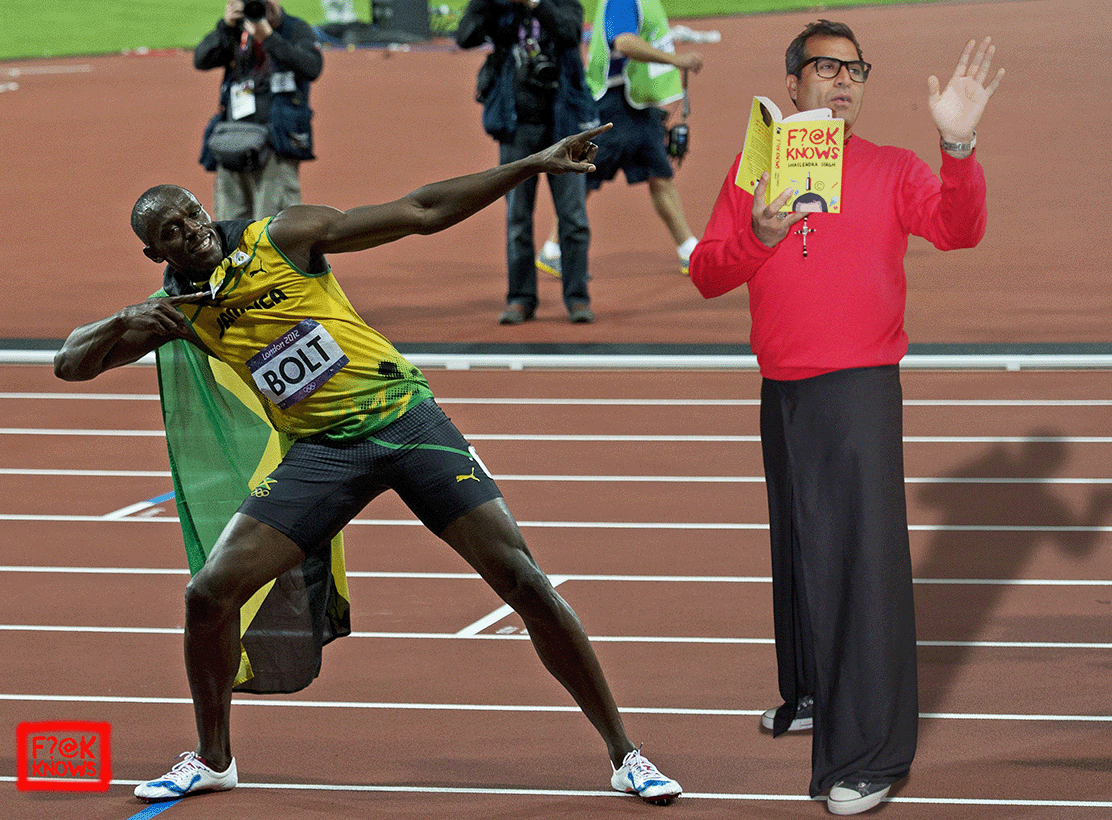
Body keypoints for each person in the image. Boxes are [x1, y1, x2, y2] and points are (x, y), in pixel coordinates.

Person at [54, 125, 682, 807]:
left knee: (524, 581)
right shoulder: (178, 314)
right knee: (208, 595)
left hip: (407, 422)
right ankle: (213, 757)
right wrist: (123, 321)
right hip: (324, 452)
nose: (191, 231)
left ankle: (626, 754)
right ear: (156, 252)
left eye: (192, 215)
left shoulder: (282, 237)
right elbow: (69, 363)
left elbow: (420, 212)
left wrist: (531, 164)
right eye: (172, 232)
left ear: (207, 210)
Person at [688, 20, 1004, 816]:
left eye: (853, 70)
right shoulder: (753, 170)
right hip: (783, 388)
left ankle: (871, 754)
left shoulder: (893, 169)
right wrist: (757, 237)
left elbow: (960, 230)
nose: (841, 81)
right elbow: (706, 274)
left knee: (859, 568)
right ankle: (814, 694)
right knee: (800, 548)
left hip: (858, 391)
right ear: (791, 84)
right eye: (824, 67)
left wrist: (957, 149)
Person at [456, 0, 600, 325]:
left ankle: (577, 297)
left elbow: (570, 33)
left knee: (574, 217)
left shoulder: (562, 4)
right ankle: (520, 298)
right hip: (516, 123)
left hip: (563, 123)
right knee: (517, 218)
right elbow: (465, 36)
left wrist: (537, 5)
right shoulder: (499, 7)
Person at [537, 0, 703, 278]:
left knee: (659, 174)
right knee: (587, 176)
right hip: (615, 104)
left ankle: (689, 249)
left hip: (634, 104)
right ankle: (553, 248)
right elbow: (624, 42)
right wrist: (677, 60)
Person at [195, 1, 323, 221]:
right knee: (230, 226)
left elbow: (312, 67)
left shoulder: (294, 29)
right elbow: (201, 59)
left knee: (275, 227)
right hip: (234, 141)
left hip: (275, 144)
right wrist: (225, 26)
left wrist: (270, 38)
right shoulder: (235, 30)